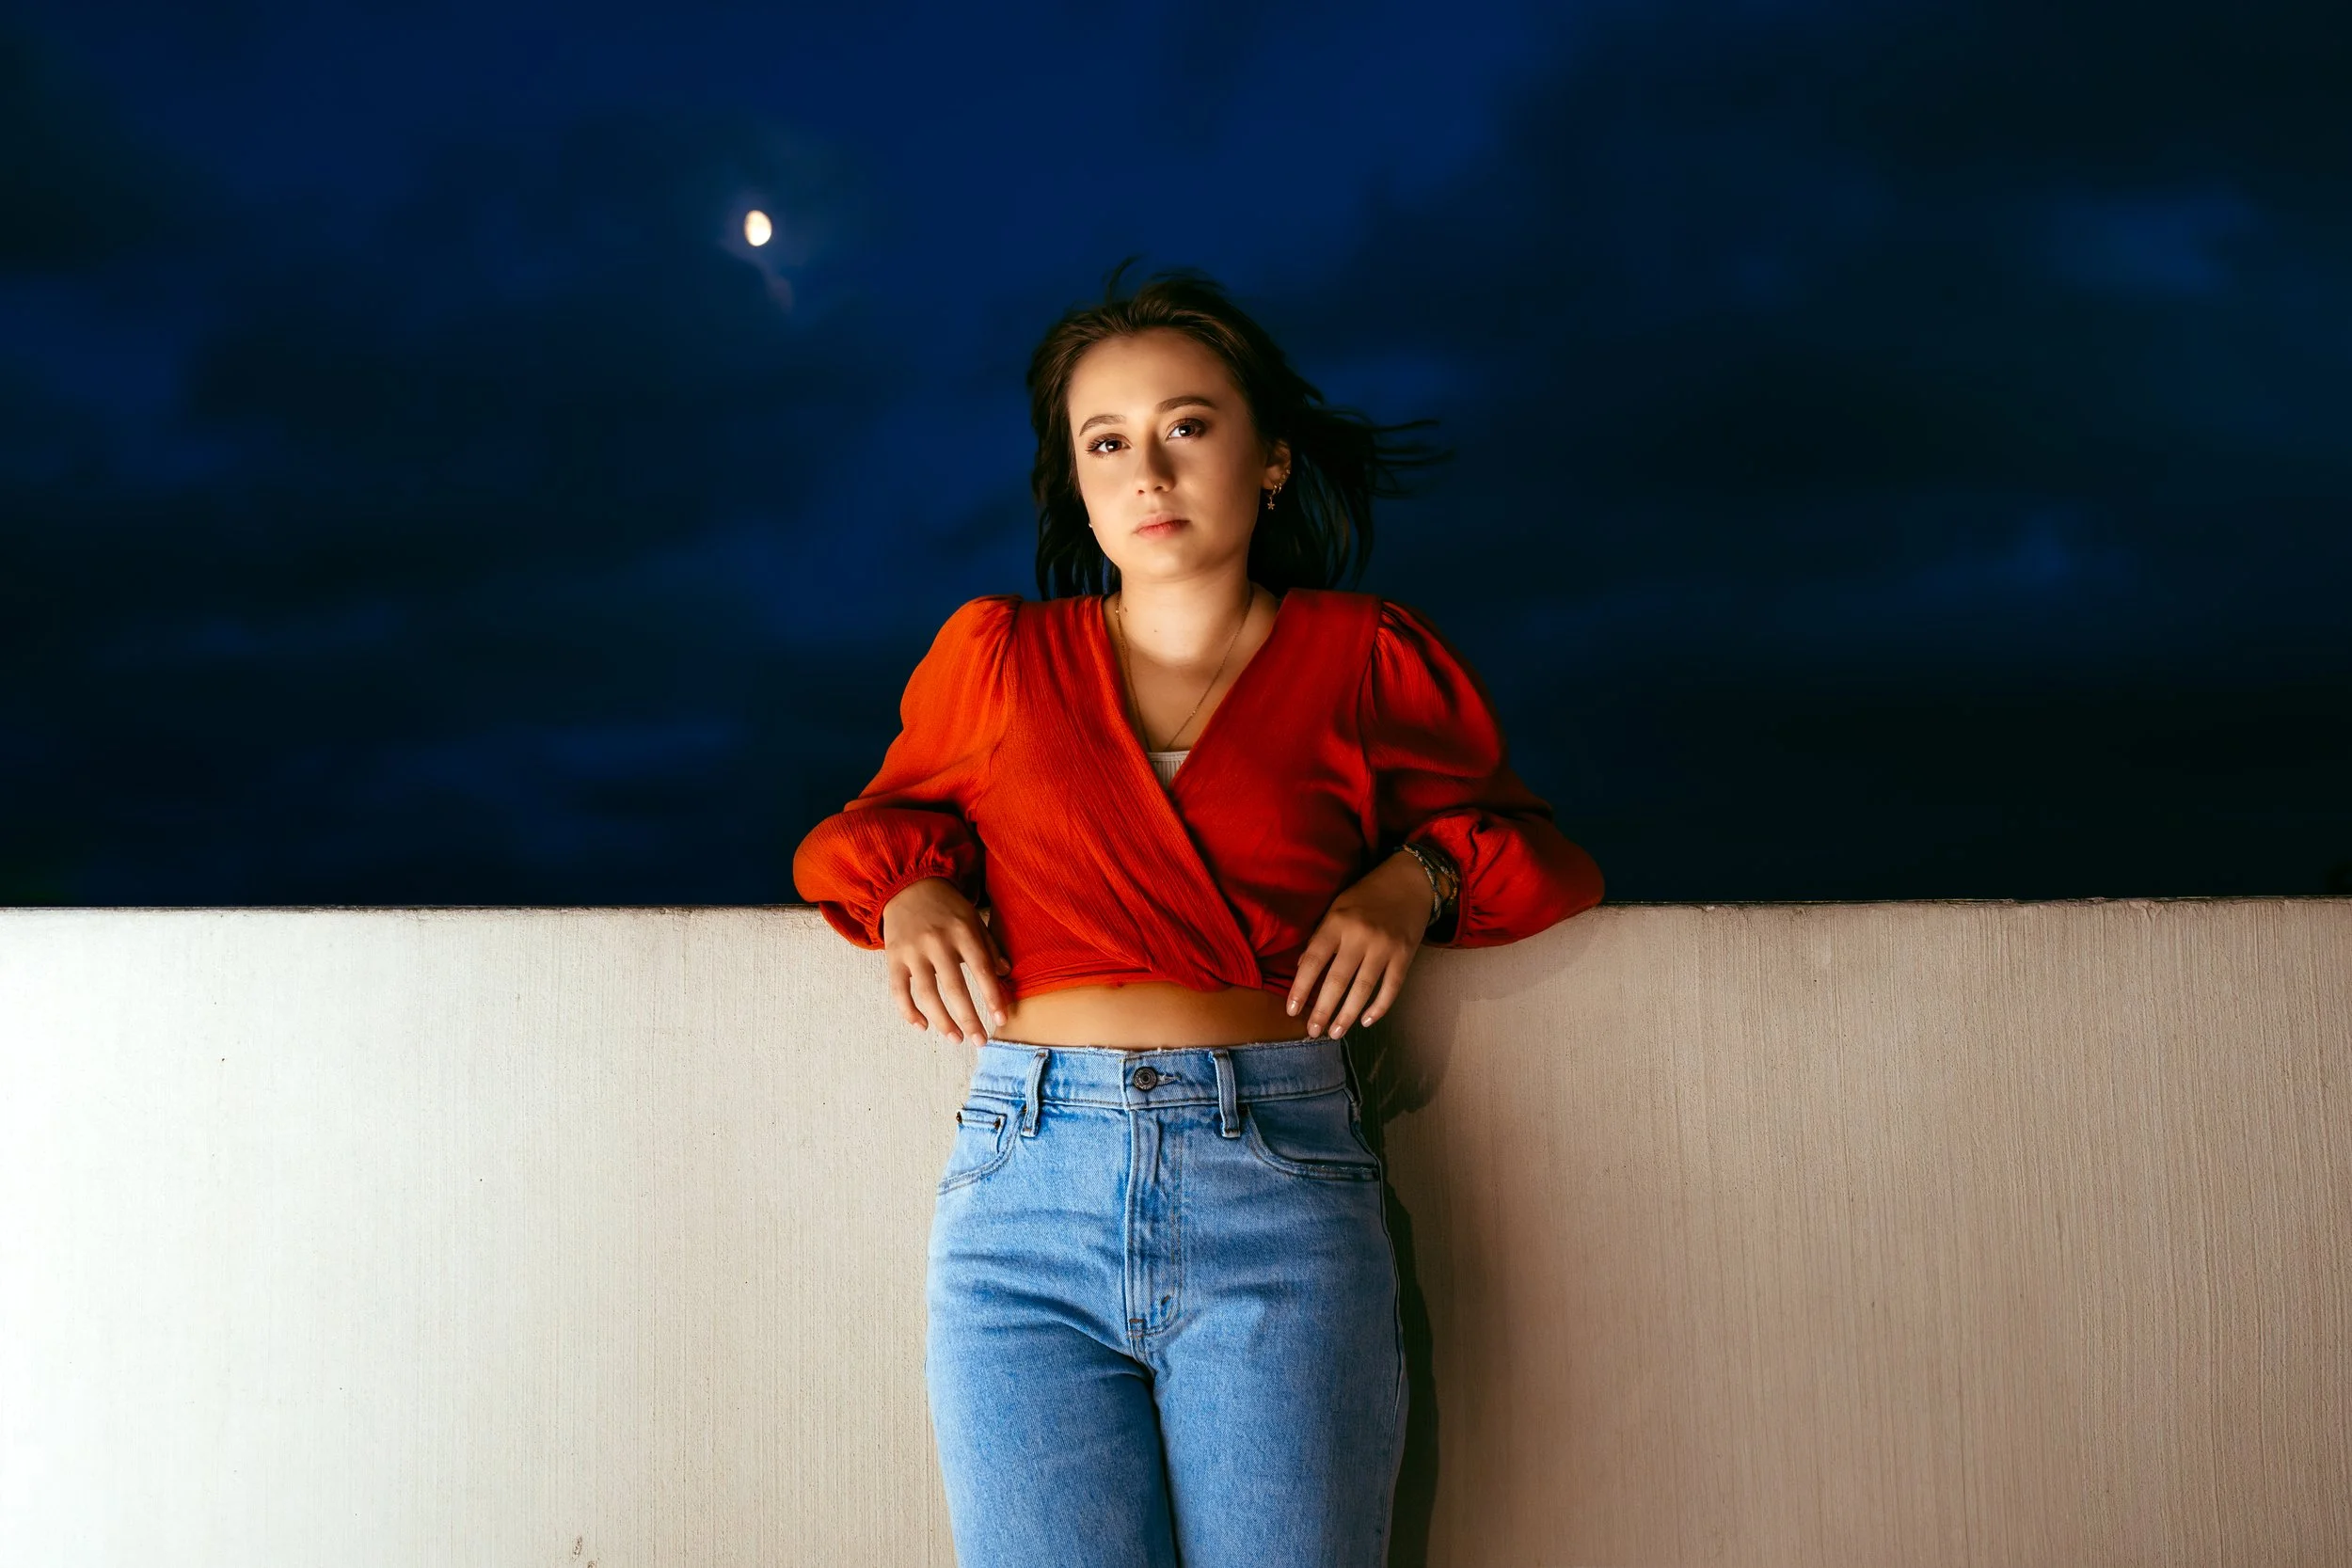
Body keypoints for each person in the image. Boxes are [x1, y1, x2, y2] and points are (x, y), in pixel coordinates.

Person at [792, 261, 1605, 1567]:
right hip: (1023, 1192)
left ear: (1272, 457)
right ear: (1076, 480)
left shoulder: (1366, 656)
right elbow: (864, 832)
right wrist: (916, 885)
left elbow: (1535, 855)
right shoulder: (998, 658)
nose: (1148, 471)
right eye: (1105, 441)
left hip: (1275, 1176)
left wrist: (1415, 880)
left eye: (1188, 424)